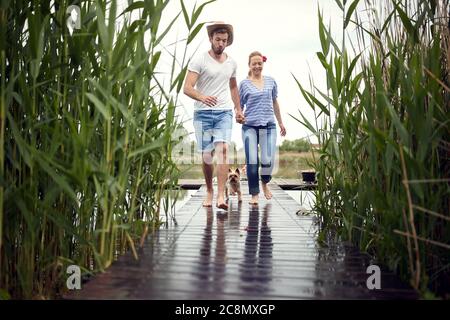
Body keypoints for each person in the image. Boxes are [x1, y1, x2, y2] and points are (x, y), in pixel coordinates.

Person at [183, 22, 245, 210]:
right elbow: (187, 87)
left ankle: (220, 196)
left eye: (224, 40)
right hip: (202, 113)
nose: (221, 43)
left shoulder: (232, 63)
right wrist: (202, 97)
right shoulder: (199, 60)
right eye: (217, 39)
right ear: (211, 39)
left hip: (224, 112)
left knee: (223, 149)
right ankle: (209, 190)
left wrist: (238, 109)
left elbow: (233, 87)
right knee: (207, 156)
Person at [239, 51, 286, 205]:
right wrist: (238, 115)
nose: (257, 66)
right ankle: (254, 194)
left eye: (260, 63)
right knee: (252, 162)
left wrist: (280, 123)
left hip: (269, 125)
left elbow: (275, 103)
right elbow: (239, 106)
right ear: (249, 65)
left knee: (268, 159)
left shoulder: (271, 81)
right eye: (254, 63)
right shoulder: (244, 84)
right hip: (249, 127)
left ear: (263, 64)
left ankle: (265, 182)